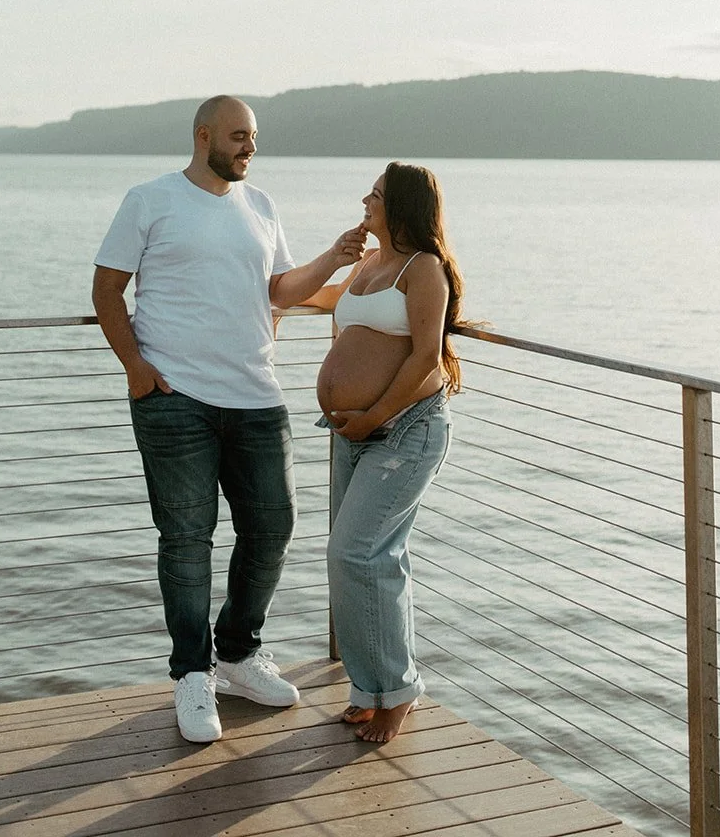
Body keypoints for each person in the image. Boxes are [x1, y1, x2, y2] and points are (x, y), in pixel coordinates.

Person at [92, 95, 366, 744]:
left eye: (254, 138)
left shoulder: (261, 205)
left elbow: (278, 291)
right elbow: (107, 288)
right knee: (186, 540)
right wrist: (134, 366)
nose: (249, 147)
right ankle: (192, 676)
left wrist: (334, 258)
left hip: (256, 395)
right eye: (239, 136)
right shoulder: (149, 199)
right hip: (173, 396)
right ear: (204, 135)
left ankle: (238, 655)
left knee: (272, 527)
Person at [275, 160, 464, 743]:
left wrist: (373, 417)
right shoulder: (370, 265)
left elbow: (425, 357)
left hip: (403, 429)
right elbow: (306, 299)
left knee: (357, 554)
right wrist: (331, 258)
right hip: (354, 433)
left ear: (401, 206)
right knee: (363, 559)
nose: (366, 199)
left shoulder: (423, 269)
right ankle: (369, 688)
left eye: (376, 195)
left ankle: (397, 693)